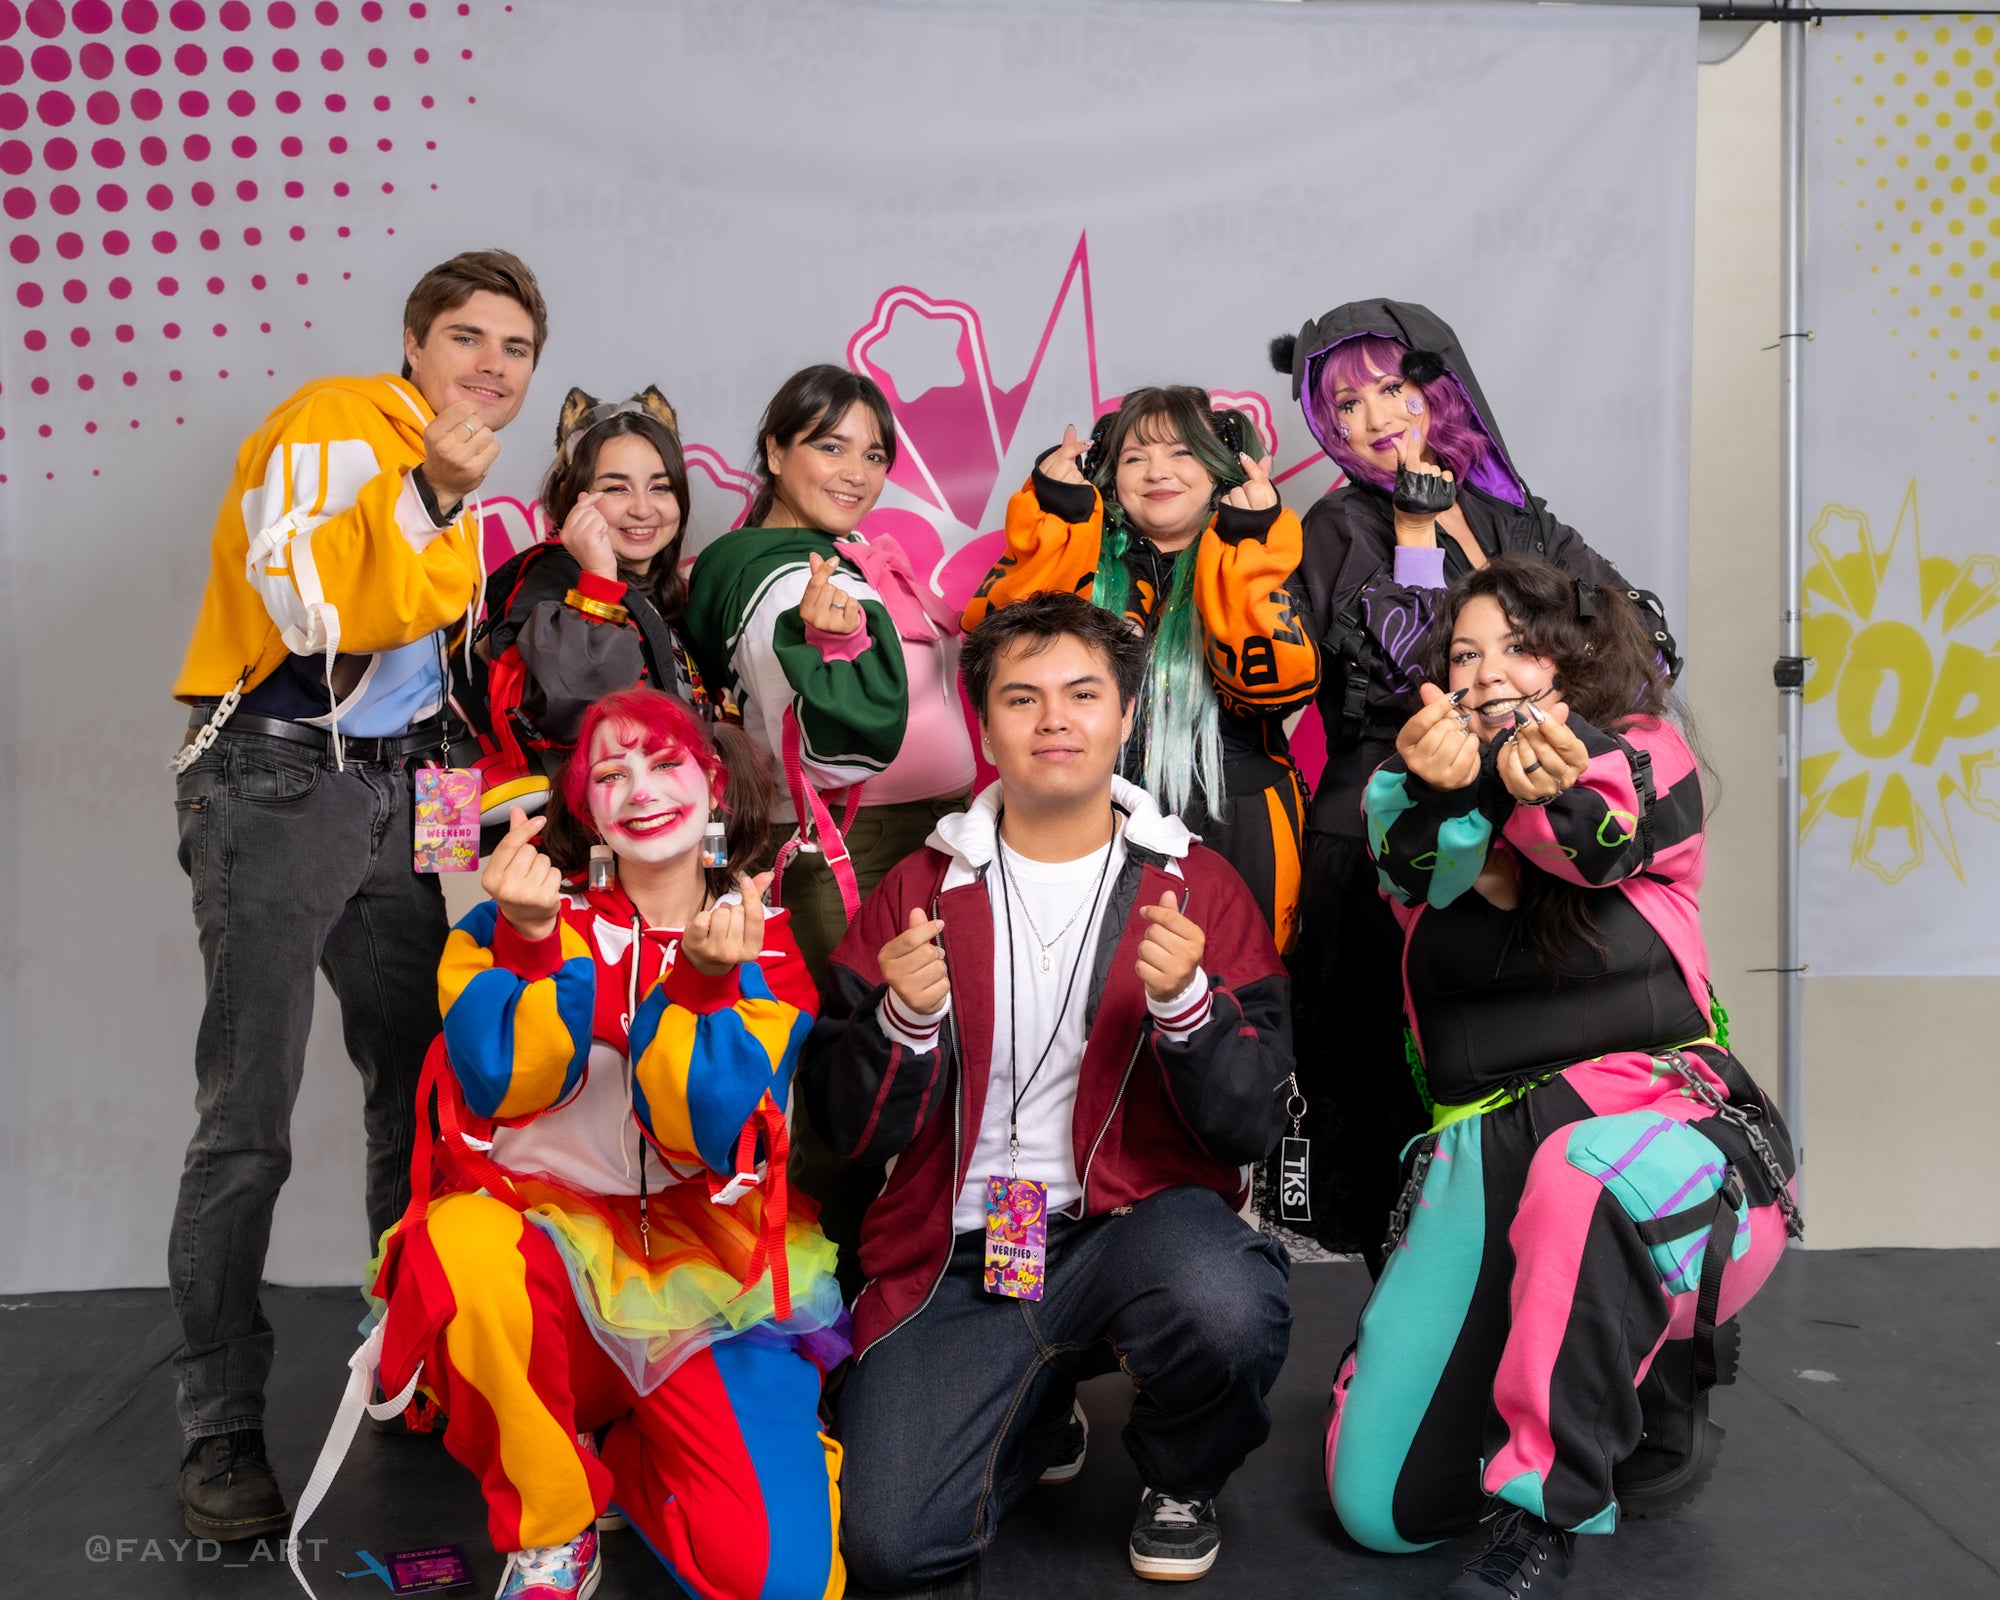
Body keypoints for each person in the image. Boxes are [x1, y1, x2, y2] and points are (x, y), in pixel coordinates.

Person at [1324, 557, 1797, 1600]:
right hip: (1483, 1158)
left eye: (1518, 646)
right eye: (1464, 653)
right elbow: (1414, 862)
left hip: (1666, 1142)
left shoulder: (1646, 754)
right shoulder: (1412, 790)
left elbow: (1593, 843)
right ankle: (1556, 1367)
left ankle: (1546, 1505)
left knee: (1582, 1171)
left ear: (1577, 660)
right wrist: (1444, 786)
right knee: (1381, 1511)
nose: (1487, 670)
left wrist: (1550, 770)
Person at [804, 591, 1296, 1589]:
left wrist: (1188, 1010)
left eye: (1082, 694)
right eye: (1021, 698)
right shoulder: (917, 890)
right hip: (961, 1250)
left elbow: (1251, 1122)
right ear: (985, 726)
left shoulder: (1197, 885)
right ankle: (1036, 1401)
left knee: (1226, 1306)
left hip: (1134, 1230)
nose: (1054, 720)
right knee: (889, 1543)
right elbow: (845, 1128)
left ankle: (1180, 1473)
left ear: (1126, 714)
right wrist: (900, 1022)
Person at [168, 248, 547, 1540]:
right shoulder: (343, 420)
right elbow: (305, 606)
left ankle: (410, 1356)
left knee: (421, 1079)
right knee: (248, 1115)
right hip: (281, 781)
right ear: (414, 341)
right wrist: (432, 491)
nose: (491, 366)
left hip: (401, 786)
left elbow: (428, 689)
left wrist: (465, 833)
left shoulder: (458, 477)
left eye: (515, 349)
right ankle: (220, 1427)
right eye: (468, 337)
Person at [369, 688, 847, 1600]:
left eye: (665, 764)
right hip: (545, 1271)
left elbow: (704, 1139)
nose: (641, 791)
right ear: (583, 809)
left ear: (713, 783)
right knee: (460, 1245)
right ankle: (554, 1525)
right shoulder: (500, 925)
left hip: (704, 1281)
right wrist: (529, 942)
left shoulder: (769, 949)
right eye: (610, 774)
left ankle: (628, 1455)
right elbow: (505, 1089)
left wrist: (703, 986)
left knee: (777, 1581)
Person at [1270, 300, 1676, 1257]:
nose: (1375, 417)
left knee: (1544, 1066)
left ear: (1439, 389)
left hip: (1534, 830)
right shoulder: (1336, 527)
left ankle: (1556, 1288)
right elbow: (1406, 673)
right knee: (1396, 1093)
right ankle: (1416, 1300)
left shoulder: (1515, 514)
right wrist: (1413, 533)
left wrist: (1559, 740)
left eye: (1391, 388)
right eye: (1346, 404)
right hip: (1388, 835)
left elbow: (1636, 644)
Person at [683, 363, 976, 1291]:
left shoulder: (842, 557)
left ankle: (941, 1294)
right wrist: (837, 644)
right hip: (846, 848)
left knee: (954, 1066)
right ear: (774, 451)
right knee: (851, 1076)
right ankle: (818, 1305)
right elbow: (837, 749)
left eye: (874, 454)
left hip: (945, 839)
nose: (856, 470)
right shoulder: (774, 575)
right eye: (830, 445)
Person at [964, 388, 1319, 951]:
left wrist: (1246, 545)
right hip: (1089, 817)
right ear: (1109, 474)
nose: (1157, 471)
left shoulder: (1261, 553)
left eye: (1182, 452)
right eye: (1135, 457)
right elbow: (1000, 656)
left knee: (1243, 985)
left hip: (1237, 818)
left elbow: (1272, 692)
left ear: (1220, 468)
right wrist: (1057, 518)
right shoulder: (1080, 554)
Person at [466, 385, 712, 827]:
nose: (643, 509)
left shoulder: (661, 593)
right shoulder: (552, 578)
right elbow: (573, 709)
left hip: (651, 831)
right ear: (570, 495)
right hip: (581, 843)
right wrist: (597, 580)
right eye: (616, 488)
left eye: (661, 487)